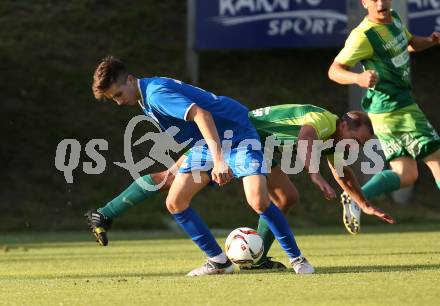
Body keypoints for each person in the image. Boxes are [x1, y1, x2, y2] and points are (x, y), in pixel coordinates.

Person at [86, 95, 395, 269]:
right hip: (235, 136)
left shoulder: (337, 142)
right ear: (344, 124)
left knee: (286, 197)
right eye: (358, 139)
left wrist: (364, 204)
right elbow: (306, 136)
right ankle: (106, 213)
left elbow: (343, 174)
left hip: (260, 147)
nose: (356, 147)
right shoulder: (325, 120)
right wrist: (314, 174)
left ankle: (257, 256)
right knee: (168, 178)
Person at [89, 56, 314, 276]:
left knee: (259, 200)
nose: (118, 101)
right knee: (176, 202)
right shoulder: (146, 93)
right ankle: (218, 262)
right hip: (206, 144)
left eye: (118, 94)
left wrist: (218, 161)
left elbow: (201, 114)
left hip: (237, 136)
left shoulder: (156, 95)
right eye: (112, 99)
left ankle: (297, 259)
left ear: (130, 79)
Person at [328, 0, 440, 216]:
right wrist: (358, 78)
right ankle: (356, 198)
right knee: (437, 161)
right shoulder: (364, 34)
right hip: (398, 108)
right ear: (364, 3)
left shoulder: (394, 19)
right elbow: (334, 70)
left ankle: (356, 198)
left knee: (405, 174)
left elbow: (407, 43)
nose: (380, 3)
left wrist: (429, 41)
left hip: (387, 112)